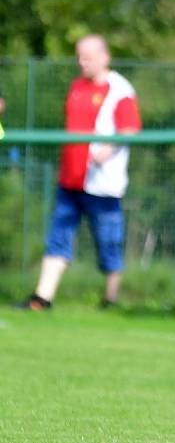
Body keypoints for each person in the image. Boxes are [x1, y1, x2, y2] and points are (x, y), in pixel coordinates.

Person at [19, 35, 142, 310]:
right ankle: (43, 298)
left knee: (108, 241)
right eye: (79, 56)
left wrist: (107, 150)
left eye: (87, 56)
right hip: (70, 180)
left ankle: (111, 299)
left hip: (102, 184)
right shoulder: (76, 86)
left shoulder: (120, 89)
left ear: (104, 57)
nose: (81, 62)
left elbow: (130, 129)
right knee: (58, 236)